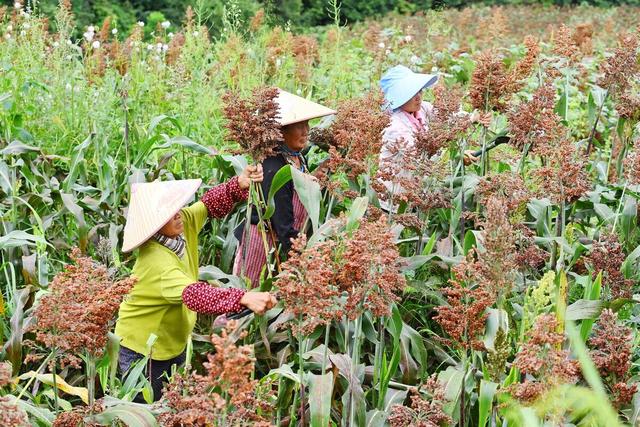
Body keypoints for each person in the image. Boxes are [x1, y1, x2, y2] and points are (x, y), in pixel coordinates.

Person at [114, 166, 277, 401]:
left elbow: (208, 206)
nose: (177, 214)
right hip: (143, 351)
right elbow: (194, 294)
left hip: (172, 342)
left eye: (176, 208)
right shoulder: (156, 261)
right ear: (154, 224)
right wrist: (242, 297)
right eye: (168, 213)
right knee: (149, 412)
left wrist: (239, 183)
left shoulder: (180, 226)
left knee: (171, 404)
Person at [233, 89, 336, 288]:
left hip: (282, 244)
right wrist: (311, 258)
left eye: (307, 124)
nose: (306, 130)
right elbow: (283, 225)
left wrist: (314, 178)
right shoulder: (274, 167)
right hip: (263, 246)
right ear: (280, 131)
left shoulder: (297, 157)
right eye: (299, 126)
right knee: (248, 302)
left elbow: (295, 191)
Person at [378, 65, 477, 210]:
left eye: (419, 91)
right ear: (399, 98)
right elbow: (420, 157)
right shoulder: (393, 127)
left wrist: (474, 117)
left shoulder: (422, 108)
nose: (418, 97)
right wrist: (456, 155)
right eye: (411, 94)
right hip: (394, 200)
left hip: (416, 194)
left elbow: (449, 117)